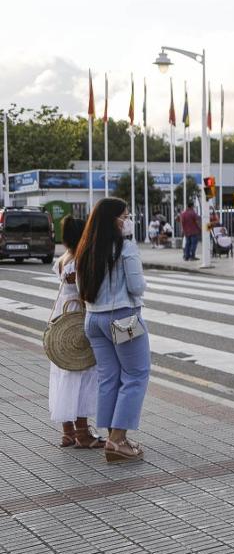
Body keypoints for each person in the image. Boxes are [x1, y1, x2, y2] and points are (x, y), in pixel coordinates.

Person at [76, 197, 149, 463]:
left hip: (93, 320)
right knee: (136, 375)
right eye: (125, 216)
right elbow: (136, 287)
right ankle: (117, 440)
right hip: (123, 319)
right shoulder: (125, 247)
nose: (127, 220)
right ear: (113, 220)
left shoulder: (85, 248)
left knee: (109, 378)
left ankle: (112, 438)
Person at [48, 216, 104, 449]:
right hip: (78, 323)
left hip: (62, 324)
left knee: (63, 377)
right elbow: (86, 292)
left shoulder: (63, 259)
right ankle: (82, 434)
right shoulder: (81, 260)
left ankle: (67, 432)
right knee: (82, 377)